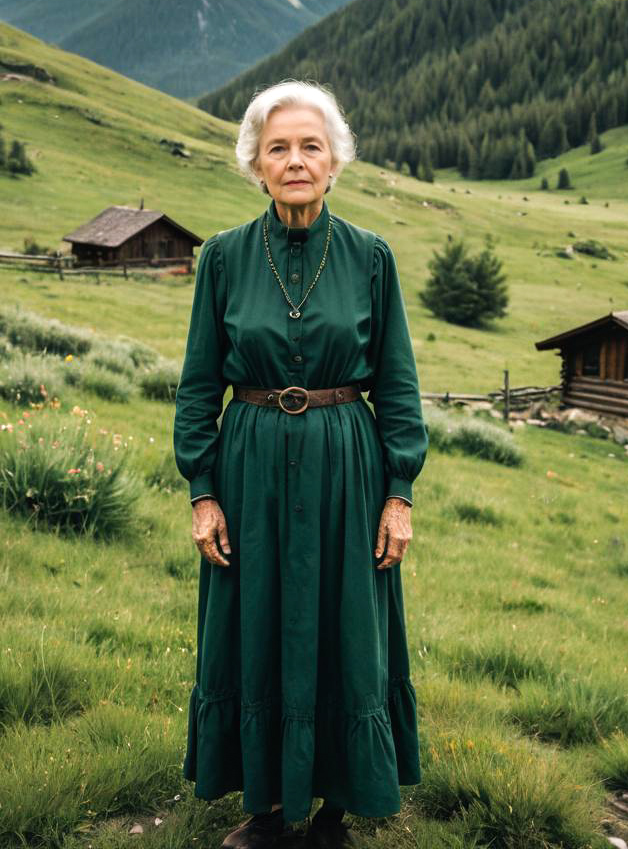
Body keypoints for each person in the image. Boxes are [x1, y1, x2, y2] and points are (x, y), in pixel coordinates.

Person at [173, 80, 428, 848]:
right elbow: (196, 387)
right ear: (256, 163)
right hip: (248, 469)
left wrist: (400, 493)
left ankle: (335, 809)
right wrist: (202, 490)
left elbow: (397, 385)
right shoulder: (220, 258)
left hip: (346, 471)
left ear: (334, 162)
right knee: (253, 626)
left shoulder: (370, 258)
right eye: (277, 148)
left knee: (346, 629)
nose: (294, 161)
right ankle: (263, 808)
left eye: (310, 146)